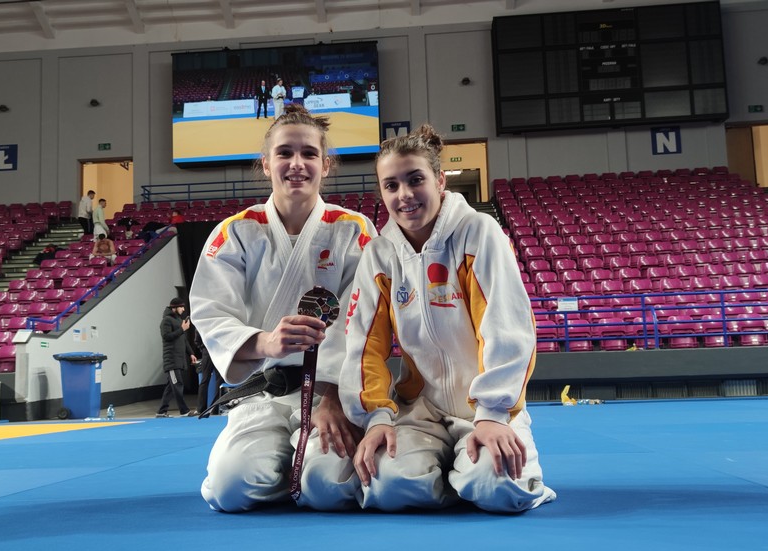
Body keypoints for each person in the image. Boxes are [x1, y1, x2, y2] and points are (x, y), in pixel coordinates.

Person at [340, 124, 557, 513]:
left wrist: (493, 414)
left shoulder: (479, 232)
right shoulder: (379, 255)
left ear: (440, 180)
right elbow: (363, 344)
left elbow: (506, 325)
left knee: (497, 489)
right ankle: (452, 475)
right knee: (387, 487)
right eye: (391, 185)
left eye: (415, 179)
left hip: (483, 409)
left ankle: (482, 475)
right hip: (421, 408)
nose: (404, 195)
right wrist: (376, 417)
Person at [190, 103, 376, 512]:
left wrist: (334, 395)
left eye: (309, 153)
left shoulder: (354, 230)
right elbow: (210, 310)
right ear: (265, 162)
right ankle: (287, 461)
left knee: (328, 486)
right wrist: (264, 342)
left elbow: (363, 323)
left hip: (334, 393)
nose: (297, 163)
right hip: (264, 392)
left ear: (326, 164)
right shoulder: (236, 232)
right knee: (230, 490)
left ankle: (303, 464)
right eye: (285, 153)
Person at [157, 298, 196, 417]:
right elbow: (166, 336)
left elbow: (183, 339)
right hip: (172, 360)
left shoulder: (178, 320)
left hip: (178, 359)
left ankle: (161, 412)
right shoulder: (166, 321)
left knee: (171, 386)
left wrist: (191, 353)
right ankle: (184, 411)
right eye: (181, 307)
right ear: (175, 307)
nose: (183, 309)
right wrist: (182, 329)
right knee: (178, 384)